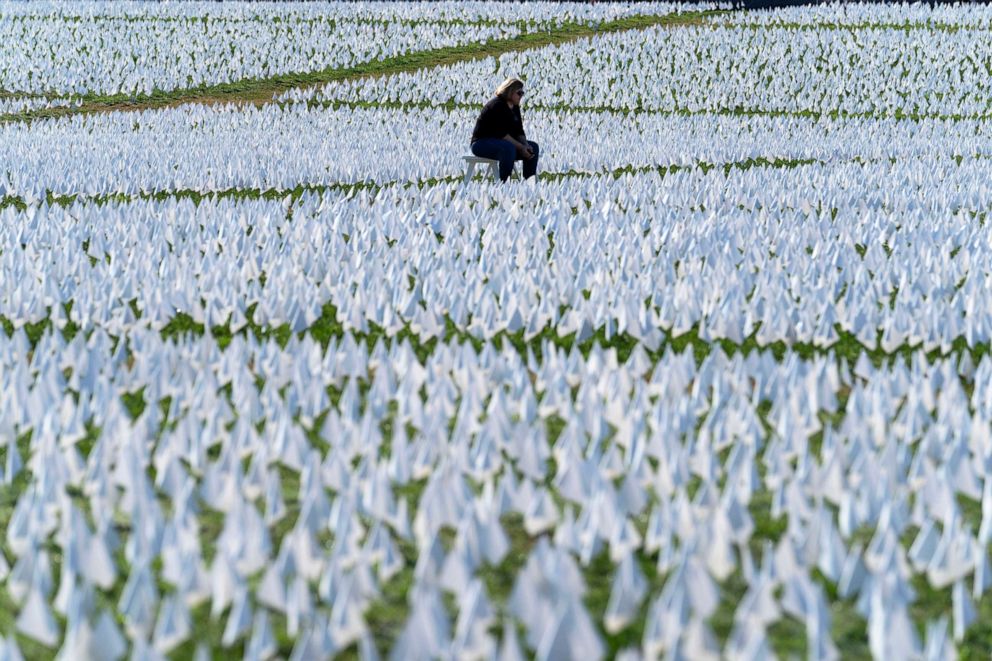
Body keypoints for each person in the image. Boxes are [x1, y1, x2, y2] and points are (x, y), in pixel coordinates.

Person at [470, 78, 540, 182]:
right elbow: (502, 134)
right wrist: (521, 147)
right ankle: (503, 183)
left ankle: (529, 182)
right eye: (519, 93)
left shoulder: (515, 107)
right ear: (510, 91)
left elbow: (519, 131)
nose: (521, 96)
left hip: (502, 142)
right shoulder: (497, 105)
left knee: (533, 147)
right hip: (482, 143)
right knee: (508, 149)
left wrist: (525, 145)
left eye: (522, 93)